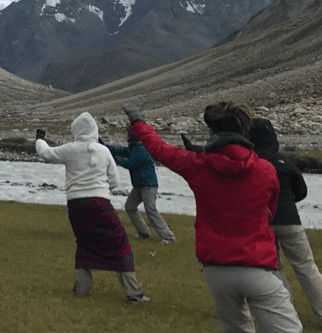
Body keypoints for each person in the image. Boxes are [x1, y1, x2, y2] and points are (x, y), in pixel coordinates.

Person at [123, 101, 303, 333]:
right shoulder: (266, 170)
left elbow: (158, 148)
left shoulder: (197, 165)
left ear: (212, 130)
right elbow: (272, 210)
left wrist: (138, 122)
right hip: (258, 265)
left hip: (216, 269)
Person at [34, 113, 149, 304]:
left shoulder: (70, 149)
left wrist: (39, 140)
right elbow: (114, 181)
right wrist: (107, 186)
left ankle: (82, 288)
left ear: (76, 131)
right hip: (100, 203)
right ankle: (134, 293)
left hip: (76, 205)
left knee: (84, 242)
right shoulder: (103, 151)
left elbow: (47, 154)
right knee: (120, 244)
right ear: (94, 129)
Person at [250, 118, 322, 332]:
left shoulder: (250, 161)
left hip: (262, 223)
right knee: (308, 269)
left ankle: (286, 318)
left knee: (274, 270)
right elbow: (301, 191)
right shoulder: (284, 160)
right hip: (290, 221)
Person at [105, 126, 176, 244]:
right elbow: (121, 150)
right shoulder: (134, 148)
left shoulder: (140, 150)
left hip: (148, 185)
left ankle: (168, 237)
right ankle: (144, 233)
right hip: (140, 185)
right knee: (130, 207)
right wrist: (105, 146)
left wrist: (113, 157)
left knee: (150, 210)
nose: (128, 135)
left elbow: (130, 163)